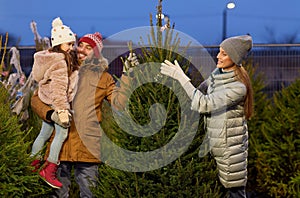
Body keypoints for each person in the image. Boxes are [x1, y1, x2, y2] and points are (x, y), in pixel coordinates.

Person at [30, 31, 138, 197]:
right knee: (58, 195)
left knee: (89, 194)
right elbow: (37, 99)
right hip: (59, 149)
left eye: (89, 48)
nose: (81, 50)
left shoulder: (103, 78)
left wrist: (128, 75)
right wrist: (51, 114)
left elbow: (120, 103)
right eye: (80, 44)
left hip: (88, 149)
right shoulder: (61, 69)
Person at [160, 35, 254, 198]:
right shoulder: (218, 75)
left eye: (224, 53)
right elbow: (198, 91)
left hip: (230, 153)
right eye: (219, 51)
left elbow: (204, 103)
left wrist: (181, 77)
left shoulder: (238, 88)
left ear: (235, 57)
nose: (218, 56)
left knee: (235, 192)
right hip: (215, 149)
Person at [30, 17, 79, 189]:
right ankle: (48, 170)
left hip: (47, 101)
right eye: (69, 45)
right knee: (62, 133)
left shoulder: (48, 58)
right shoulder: (60, 62)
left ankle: (32, 164)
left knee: (43, 134)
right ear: (59, 44)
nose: (72, 48)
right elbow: (59, 89)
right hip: (56, 104)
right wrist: (62, 110)